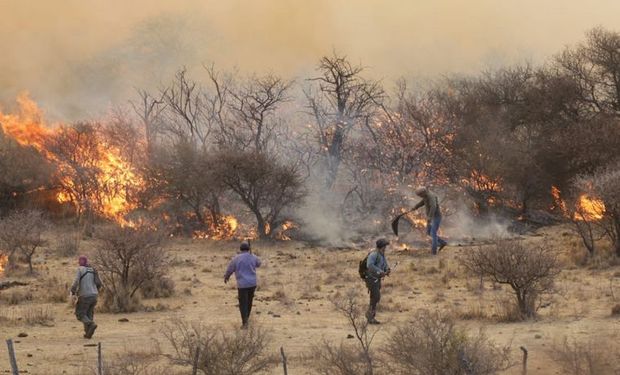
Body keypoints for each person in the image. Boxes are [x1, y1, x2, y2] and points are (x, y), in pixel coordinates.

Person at [224, 241, 262, 329]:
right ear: (248, 249)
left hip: (242, 285)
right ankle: (246, 320)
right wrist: (253, 255)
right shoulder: (253, 257)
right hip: (252, 284)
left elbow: (230, 268)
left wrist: (226, 276)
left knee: (243, 304)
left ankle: (245, 322)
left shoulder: (236, 258)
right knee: (249, 302)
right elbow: (259, 264)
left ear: (240, 249)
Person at [70, 255, 102, 339]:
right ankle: (88, 334)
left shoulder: (80, 269)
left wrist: (73, 291)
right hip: (94, 295)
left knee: (80, 314)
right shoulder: (93, 269)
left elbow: (76, 281)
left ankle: (91, 325)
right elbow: (99, 283)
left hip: (84, 296)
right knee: (88, 314)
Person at [412, 186, 447, 255]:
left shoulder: (431, 196)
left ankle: (434, 252)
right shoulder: (425, 196)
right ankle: (443, 243)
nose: (419, 196)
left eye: (419, 195)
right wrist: (415, 207)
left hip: (436, 217)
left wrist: (430, 217)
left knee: (433, 233)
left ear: (423, 193)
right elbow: (422, 202)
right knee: (428, 232)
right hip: (431, 217)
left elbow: (433, 207)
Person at [365, 238, 391, 324]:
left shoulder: (382, 254)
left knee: (374, 298)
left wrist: (387, 270)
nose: (385, 248)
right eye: (384, 246)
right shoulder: (374, 255)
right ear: (381, 246)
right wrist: (380, 272)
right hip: (371, 279)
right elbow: (370, 266)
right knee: (376, 297)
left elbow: (384, 264)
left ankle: (371, 316)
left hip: (377, 279)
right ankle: (370, 315)